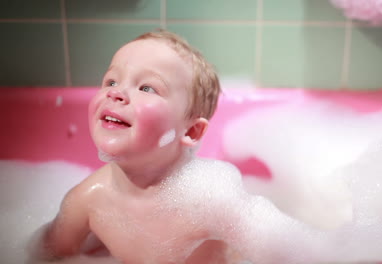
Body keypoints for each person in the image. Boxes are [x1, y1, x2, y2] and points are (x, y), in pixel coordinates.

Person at [30, 29, 318, 264]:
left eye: (146, 88)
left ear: (191, 130)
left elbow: (288, 252)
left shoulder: (212, 200)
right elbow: (47, 255)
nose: (116, 93)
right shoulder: (87, 199)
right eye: (111, 80)